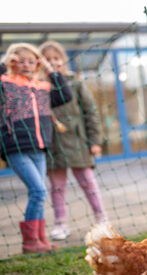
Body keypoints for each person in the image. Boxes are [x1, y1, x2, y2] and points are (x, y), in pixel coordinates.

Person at [0, 42, 73, 253]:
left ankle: (41, 241)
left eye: (31, 61)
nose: (26, 65)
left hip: (40, 147)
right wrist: (5, 63)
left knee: (39, 193)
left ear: (37, 64)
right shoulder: (6, 83)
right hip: (16, 147)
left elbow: (65, 94)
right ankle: (30, 242)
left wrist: (49, 69)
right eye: (21, 61)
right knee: (39, 191)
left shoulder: (41, 87)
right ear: (13, 62)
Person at [38, 41, 108, 241]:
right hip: (54, 143)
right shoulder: (40, 86)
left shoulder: (74, 82)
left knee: (88, 182)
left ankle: (101, 218)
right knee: (57, 187)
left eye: (56, 58)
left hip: (79, 141)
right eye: (47, 59)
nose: (52, 63)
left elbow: (90, 112)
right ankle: (60, 223)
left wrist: (95, 140)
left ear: (62, 60)